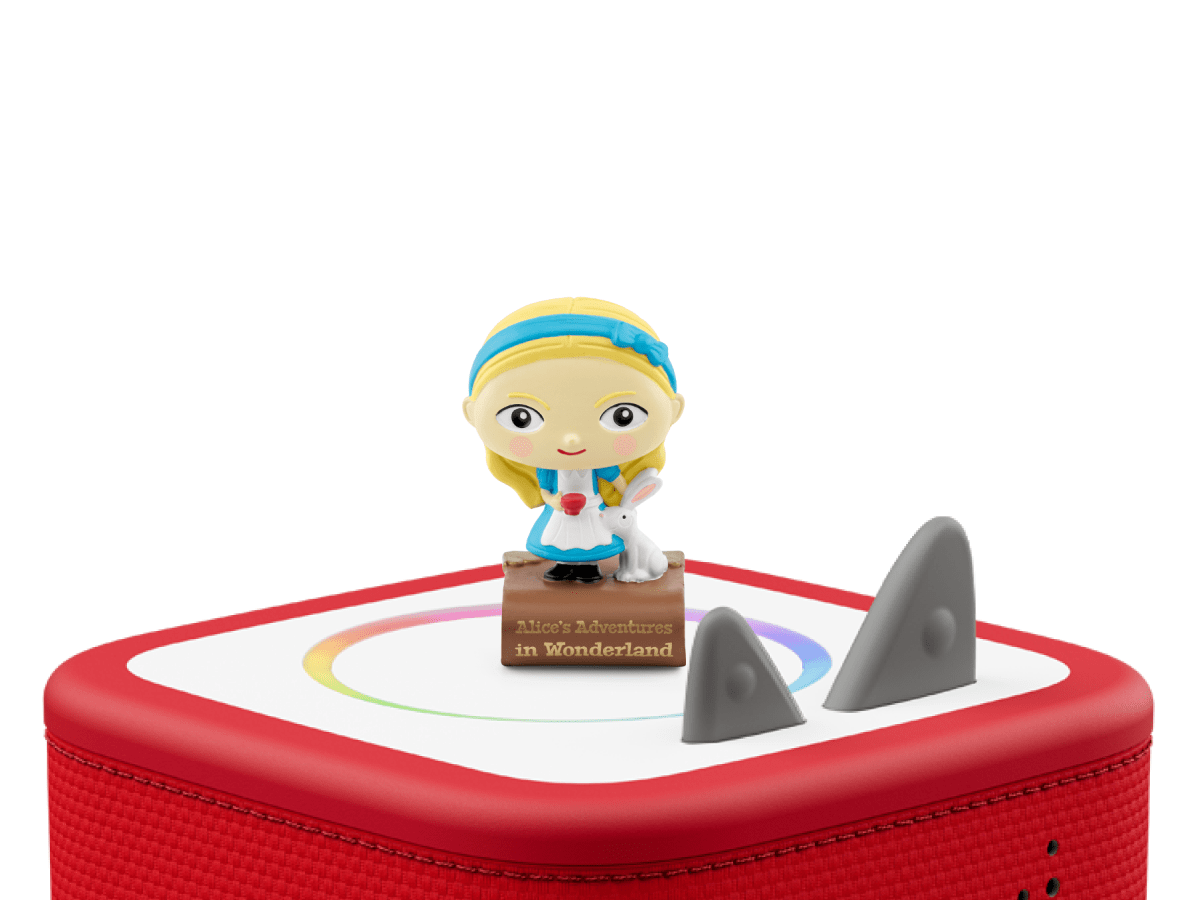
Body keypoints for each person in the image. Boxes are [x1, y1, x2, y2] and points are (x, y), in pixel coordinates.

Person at [463, 298, 684, 582]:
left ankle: (588, 567)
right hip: (562, 510)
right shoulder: (547, 469)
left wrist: (627, 500)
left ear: (674, 410)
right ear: (472, 413)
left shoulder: (602, 465)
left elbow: (618, 482)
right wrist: (554, 501)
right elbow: (545, 491)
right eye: (521, 418)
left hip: (592, 508)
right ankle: (563, 566)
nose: (571, 440)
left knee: (592, 538)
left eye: (622, 416)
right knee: (559, 537)